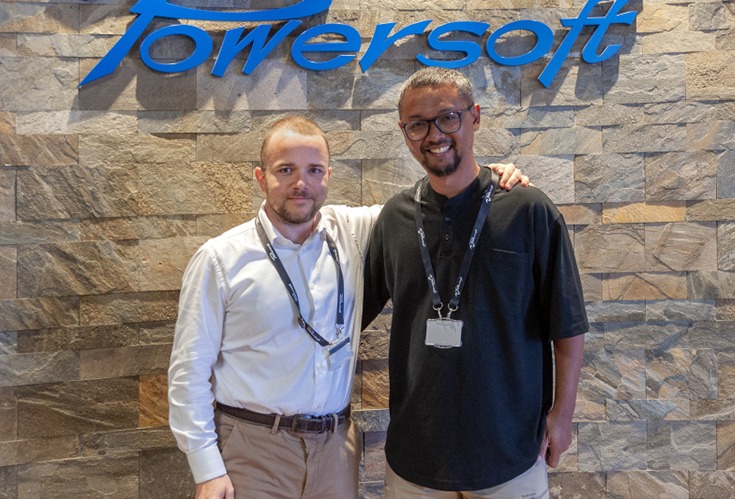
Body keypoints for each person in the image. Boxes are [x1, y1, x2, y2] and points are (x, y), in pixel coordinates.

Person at [168, 115, 528, 499]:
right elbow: (189, 371)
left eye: (314, 170)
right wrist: (207, 468)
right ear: (261, 178)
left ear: (328, 175)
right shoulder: (220, 260)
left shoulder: (355, 229)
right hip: (254, 447)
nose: (301, 183)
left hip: (336, 447)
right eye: (286, 170)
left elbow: (436, 205)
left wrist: (487, 178)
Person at [363, 68, 588, 498]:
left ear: (475, 117)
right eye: (417, 124)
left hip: (510, 451)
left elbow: (568, 324)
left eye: (448, 117)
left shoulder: (528, 210)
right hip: (416, 456)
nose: (435, 135)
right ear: (404, 132)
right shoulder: (394, 218)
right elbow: (350, 312)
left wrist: (563, 414)